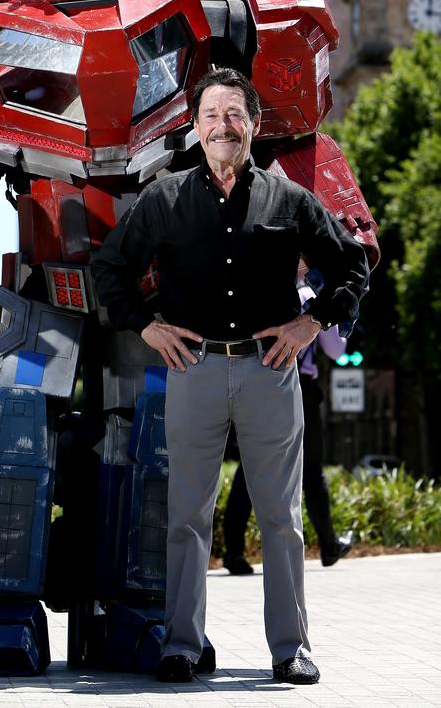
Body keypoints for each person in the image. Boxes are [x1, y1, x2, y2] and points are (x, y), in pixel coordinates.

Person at [92, 67, 370, 686]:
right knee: (187, 515)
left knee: (281, 518)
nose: (224, 127)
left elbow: (351, 266)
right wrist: (146, 327)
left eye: (235, 115)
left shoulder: (290, 199)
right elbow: (110, 270)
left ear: (254, 125)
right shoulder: (163, 200)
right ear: (195, 128)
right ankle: (182, 646)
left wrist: (310, 323)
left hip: (269, 373)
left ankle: (290, 648)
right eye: (213, 116)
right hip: (191, 372)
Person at [222, 284, 354, 577]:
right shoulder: (311, 297)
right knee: (311, 470)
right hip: (299, 388)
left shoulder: (259, 294)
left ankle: (233, 552)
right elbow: (335, 350)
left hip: (255, 383)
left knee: (249, 469)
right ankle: (328, 543)